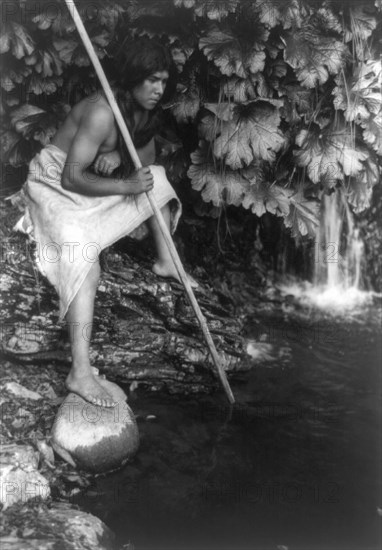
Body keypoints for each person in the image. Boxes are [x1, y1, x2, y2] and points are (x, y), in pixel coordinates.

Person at [14, 40, 196, 408]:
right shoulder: (100, 111)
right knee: (85, 260)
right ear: (132, 79)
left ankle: (166, 262)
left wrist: (118, 157)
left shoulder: (145, 115)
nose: (160, 90)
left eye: (164, 81)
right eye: (152, 81)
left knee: (158, 180)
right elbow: (70, 178)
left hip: (92, 188)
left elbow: (142, 172)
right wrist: (124, 182)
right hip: (54, 186)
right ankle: (79, 372)